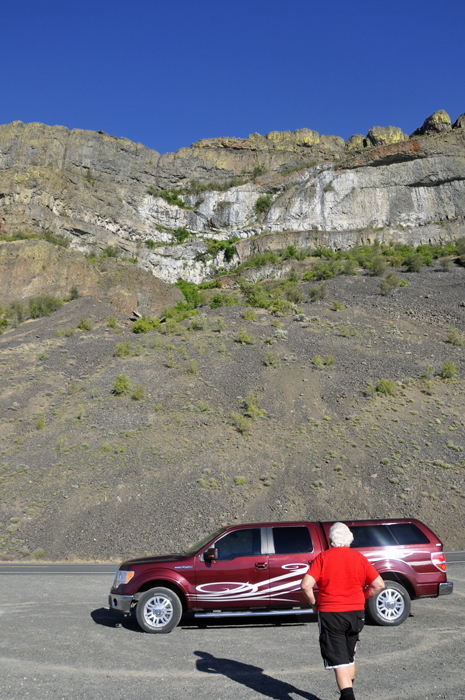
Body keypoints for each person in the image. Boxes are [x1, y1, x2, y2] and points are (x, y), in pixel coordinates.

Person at [301, 522, 385, 700]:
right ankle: (345, 695)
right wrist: (362, 596)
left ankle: (348, 697)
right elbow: (379, 585)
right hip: (356, 613)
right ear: (349, 539)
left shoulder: (323, 558)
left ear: (331, 540)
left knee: (338, 662)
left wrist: (314, 603)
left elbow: (306, 585)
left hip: (331, 614)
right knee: (349, 656)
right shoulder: (360, 558)